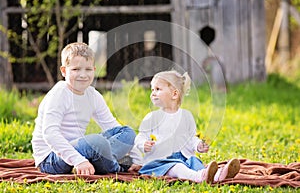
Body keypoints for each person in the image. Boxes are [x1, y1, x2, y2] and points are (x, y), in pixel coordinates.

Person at [31, 42, 136, 175]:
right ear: (64, 71)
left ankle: (106, 161)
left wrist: (137, 158)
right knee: (97, 142)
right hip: (51, 159)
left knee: (128, 132)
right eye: (76, 69)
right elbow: (50, 134)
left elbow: (111, 126)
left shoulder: (93, 95)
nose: (83, 75)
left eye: (88, 69)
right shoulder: (59, 94)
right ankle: (117, 167)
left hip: (79, 150)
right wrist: (78, 160)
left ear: (94, 69)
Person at [129, 70, 240, 183]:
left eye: (158, 89)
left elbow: (191, 138)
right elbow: (140, 136)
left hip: (185, 158)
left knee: (196, 163)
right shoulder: (151, 117)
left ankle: (217, 176)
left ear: (174, 94)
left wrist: (198, 145)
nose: (153, 93)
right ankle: (199, 177)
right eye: (152, 89)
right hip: (160, 161)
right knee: (177, 167)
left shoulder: (187, 116)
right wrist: (143, 144)